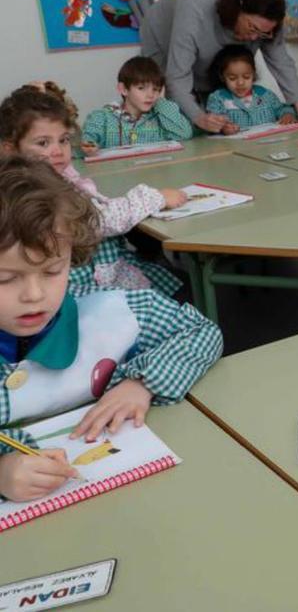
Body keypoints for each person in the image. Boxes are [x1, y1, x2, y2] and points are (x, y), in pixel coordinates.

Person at [0, 156, 222, 501]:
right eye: (6, 279)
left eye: (52, 271)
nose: (34, 295)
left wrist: (142, 382)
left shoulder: (112, 311)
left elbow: (202, 332)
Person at [0, 85, 184, 295]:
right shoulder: (31, 190)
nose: (58, 151)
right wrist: (156, 197)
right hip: (84, 282)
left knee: (172, 278)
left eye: (64, 140)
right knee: (177, 290)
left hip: (103, 266)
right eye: (43, 143)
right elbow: (99, 220)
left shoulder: (57, 174)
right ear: (10, 149)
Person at [139, 0, 298, 133]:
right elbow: (177, 76)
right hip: (162, 38)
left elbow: (281, 61)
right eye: (252, 28)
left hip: (209, 47)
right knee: (185, 118)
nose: (254, 38)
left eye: (263, 34)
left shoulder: (267, 23)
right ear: (237, 10)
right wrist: (199, 118)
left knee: (222, 90)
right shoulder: (195, 7)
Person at [80, 57, 193, 152]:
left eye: (155, 89)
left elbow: (184, 134)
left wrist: (161, 101)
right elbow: (88, 138)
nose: (150, 95)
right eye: (141, 88)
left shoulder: (162, 116)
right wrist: (89, 146)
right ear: (123, 89)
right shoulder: (103, 117)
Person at [204, 44, 298, 134]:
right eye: (232, 78)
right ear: (222, 77)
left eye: (246, 77)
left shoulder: (265, 94)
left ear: (253, 74)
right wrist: (223, 128)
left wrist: (287, 115)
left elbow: (282, 108)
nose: (240, 83)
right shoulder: (218, 99)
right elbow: (213, 122)